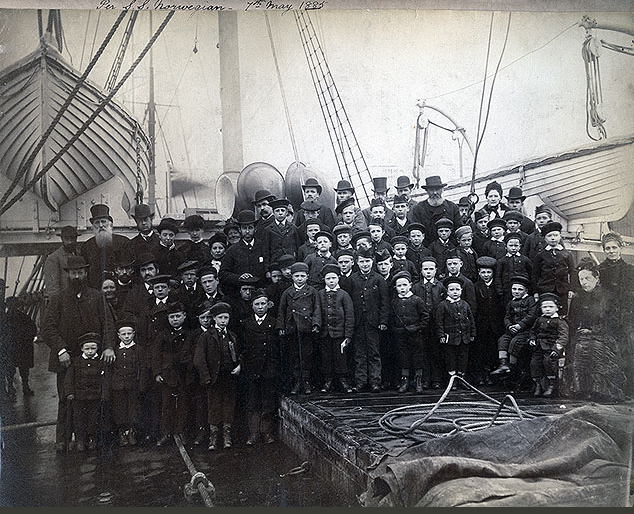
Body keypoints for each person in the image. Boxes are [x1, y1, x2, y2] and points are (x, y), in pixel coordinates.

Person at [41, 255, 115, 453]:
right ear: (68, 274)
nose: (77, 276)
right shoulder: (58, 299)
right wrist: (61, 349)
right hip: (65, 360)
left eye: (80, 272)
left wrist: (108, 347)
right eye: (73, 273)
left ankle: (89, 437)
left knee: (92, 401)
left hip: (92, 360)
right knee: (66, 399)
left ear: (86, 273)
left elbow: (108, 324)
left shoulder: (97, 297)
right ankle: (63, 439)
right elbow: (47, 328)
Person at [563, 259, 626, 402]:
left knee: (594, 347)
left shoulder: (608, 297)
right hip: (581, 337)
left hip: (605, 337)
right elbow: (573, 322)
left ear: (596, 278)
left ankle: (600, 390)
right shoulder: (577, 298)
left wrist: (593, 331)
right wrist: (580, 332)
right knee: (580, 348)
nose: (584, 282)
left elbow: (614, 322)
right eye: (581, 279)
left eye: (587, 278)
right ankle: (582, 390)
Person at [194, 302, 241, 451]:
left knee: (229, 405)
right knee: (213, 406)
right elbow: (199, 359)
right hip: (214, 378)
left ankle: (227, 435)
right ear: (214, 318)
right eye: (220, 317)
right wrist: (206, 376)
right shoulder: (206, 336)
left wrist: (239, 366)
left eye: (226, 318)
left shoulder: (232, 336)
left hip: (229, 377)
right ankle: (213, 436)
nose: (223, 321)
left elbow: (239, 354)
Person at [242, 289, 280, 445]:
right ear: (252, 306)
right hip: (252, 368)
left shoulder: (274, 322)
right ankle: (253, 433)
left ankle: (266, 431)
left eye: (263, 304)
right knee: (253, 401)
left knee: (268, 401)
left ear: (268, 305)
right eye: (257, 304)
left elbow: (278, 348)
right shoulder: (246, 324)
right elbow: (243, 347)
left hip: (269, 368)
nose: (260, 307)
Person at [277, 262, 321, 395]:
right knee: (294, 355)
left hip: (306, 328)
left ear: (307, 276)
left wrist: (316, 324)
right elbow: (282, 310)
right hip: (292, 327)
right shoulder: (287, 292)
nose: (300, 278)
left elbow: (317, 309)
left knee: (307, 355)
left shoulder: (312, 291)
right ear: (292, 277)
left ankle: (306, 381)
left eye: (302, 276)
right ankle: (297, 381)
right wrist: (281, 326)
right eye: (297, 276)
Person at [349, 247, 389, 392]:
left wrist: (383, 321)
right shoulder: (352, 279)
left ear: (372, 261)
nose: (365, 264)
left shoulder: (378, 279)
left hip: (374, 322)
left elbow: (385, 302)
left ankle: (375, 382)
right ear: (357, 262)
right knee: (359, 353)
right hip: (358, 322)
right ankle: (360, 382)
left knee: (374, 352)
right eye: (362, 261)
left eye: (367, 261)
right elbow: (348, 303)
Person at [154, 301, 193, 447]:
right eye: (171, 317)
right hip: (167, 375)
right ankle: (166, 432)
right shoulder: (163, 335)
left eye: (177, 316)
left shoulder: (189, 334)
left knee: (183, 404)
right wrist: (157, 373)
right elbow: (156, 355)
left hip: (183, 375)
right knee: (166, 405)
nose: (174, 319)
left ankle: (180, 430)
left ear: (184, 316)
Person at [64, 332, 107, 452]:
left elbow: (105, 380)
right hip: (79, 397)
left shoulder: (100, 361)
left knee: (94, 419)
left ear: (97, 348)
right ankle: (80, 439)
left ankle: (92, 438)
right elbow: (69, 379)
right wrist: (70, 393)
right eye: (87, 348)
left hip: (95, 396)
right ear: (82, 348)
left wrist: (104, 394)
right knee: (78, 419)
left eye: (93, 348)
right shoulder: (76, 362)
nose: (90, 351)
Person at [317, 265, 355, 393]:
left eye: (333, 278)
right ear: (324, 280)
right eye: (328, 278)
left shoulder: (344, 295)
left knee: (341, 357)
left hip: (339, 334)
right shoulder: (320, 294)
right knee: (326, 357)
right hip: (325, 333)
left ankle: (343, 380)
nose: (331, 281)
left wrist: (348, 335)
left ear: (338, 278)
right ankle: (328, 381)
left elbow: (349, 315)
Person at [107, 319, 145, 447]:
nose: (127, 336)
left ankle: (132, 432)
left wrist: (141, 385)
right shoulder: (115, 350)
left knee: (133, 409)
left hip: (133, 385)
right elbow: (110, 370)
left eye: (129, 333)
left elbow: (142, 368)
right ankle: (122, 432)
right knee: (120, 410)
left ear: (134, 334)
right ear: (118, 336)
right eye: (123, 334)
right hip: (118, 386)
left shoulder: (139, 349)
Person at [491, 275, 538, 377]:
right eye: (514, 289)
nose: (516, 291)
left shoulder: (530, 300)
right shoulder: (511, 302)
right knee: (503, 339)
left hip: (525, 330)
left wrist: (520, 325)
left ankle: (512, 366)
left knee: (515, 342)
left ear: (525, 291)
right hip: (513, 330)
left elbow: (532, 315)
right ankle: (503, 364)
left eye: (520, 289)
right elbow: (507, 317)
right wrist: (509, 326)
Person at [391, 271, 430, 393]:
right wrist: (396, 329)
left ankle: (419, 380)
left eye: (404, 285)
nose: (402, 288)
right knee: (403, 357)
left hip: (415, 334)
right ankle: (405, 380)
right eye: (399, 286)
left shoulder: (417, 300)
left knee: (418, 357)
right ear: (395, 288)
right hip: (401, 334)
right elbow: (391, 317)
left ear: (410, 285)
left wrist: (418, 328)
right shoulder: (394, 301)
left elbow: (425, 317)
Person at [412, 256, 446, 389]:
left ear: (436, 270)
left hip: (436, 324)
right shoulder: (416, 287)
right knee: (423, 351)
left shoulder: (440, 286)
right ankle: (425, 379)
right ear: (421, 271)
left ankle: (436, 379)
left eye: (431, 269)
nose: (428, 272)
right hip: (421, 324)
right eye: (425, 269)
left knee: (436, 351)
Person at [436, 276, 476, 389]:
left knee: (463, 358)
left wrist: (472, 334)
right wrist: (441, 335)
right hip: (450, 338)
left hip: (464, 337)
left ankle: (461, 378)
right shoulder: (443, 305)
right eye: (452, 290)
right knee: (451, 359)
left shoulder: (465, 304)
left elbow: (471, 320)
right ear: (447, 291)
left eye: (457, 289)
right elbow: (439, 322)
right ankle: (452, 380)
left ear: (461, 291)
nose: (455, 292)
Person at [528, 293, 569, 397]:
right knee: (534, 364)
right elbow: (533, 331)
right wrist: (532, 339)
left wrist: (557, 349)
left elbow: (563, 336)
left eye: (551, 307)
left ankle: (551, 385)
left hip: (551, 348)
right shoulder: (539, 320)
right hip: (539, 347)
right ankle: (538, 385)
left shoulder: (559, 321)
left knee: (549, 363)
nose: (547, 309)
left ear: (557, 308)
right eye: (544, 307)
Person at [471, 257, 504, 385]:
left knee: (492, 349)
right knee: (480, 350)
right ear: (479, 273)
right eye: (483, 272)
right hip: (481, 324)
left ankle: (491, 375)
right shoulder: (475, 286)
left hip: (495, 324)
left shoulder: (497, 286)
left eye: (488, 272)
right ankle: (480, 375)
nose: (486, 275)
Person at [80, 204, 130, 289]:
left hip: (121, 289)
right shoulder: (87, 246)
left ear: (110, 224)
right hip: (95, 289)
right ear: (93, 226)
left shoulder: (123, 242)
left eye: (103, 221)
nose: (101, 225)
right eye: (97, 222)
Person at [219, 210, 266, 297]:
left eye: (250, 228)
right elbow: (223, 274)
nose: (247, 231)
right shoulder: (232, 250)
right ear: (240, 229)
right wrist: (239, 277)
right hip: (239, 295)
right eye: (244, 228)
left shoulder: (263, 247)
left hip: (260, 294)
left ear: (255, 229)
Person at [532, 221, 574, 316]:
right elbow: (535, 274)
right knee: (546, 312)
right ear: (545, 239)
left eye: (555, 235)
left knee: (562, 313)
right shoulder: (540, 255)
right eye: (549, 236)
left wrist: (571, 289)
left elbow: (572, 272)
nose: (553, 238)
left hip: (562, 289)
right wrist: (535, 292)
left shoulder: (567, 254)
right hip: (545, 289)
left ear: (560, 237)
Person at [410, 175, 462, 245]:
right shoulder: (419, 208)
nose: (435, 193)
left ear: (442, 190)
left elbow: (458, 230)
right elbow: (417, 231)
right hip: (427, 248)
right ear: (427, 191)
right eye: (431, 190)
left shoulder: (452, 207)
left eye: (437, 189)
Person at [2, 296, 37, 398]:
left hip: (14, 348)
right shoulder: (22, 316)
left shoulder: (6, 318)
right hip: (19, 348)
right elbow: (32, 329)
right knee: (20, 369)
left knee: (12, 370)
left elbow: (32, 329)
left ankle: (13, 388)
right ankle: (23, 388)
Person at [262, 198, 301, 270]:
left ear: (286, 212)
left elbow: (298, 247)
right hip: (275, 263)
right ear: (273, 213)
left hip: (291, 263)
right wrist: (267, 270)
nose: (280, 213)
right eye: (277, 211)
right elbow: (266, 252)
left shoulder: (293, 228)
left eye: (282, 210)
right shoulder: (268, 229)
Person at [495, 232, 532, 307]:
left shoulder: (525, 260)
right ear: (506, 247)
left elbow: (531, 274)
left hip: (522, 291)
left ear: (520, 246)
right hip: (507, 291)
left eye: (516, 245)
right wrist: (500, 291)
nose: (513, 248)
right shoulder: (502, 260)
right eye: (511, 246)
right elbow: (498, 276)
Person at [43, 225, 78, 300]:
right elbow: (53, 290)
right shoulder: (53, 259)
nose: (70, 242)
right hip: (64, 302)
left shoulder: (79, 254)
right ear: (62, 239)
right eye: (67, 239)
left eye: (72, 238)